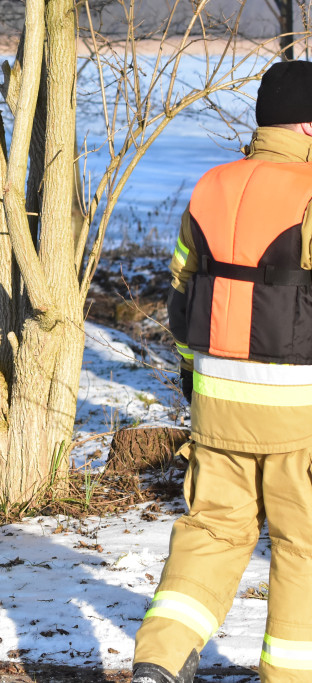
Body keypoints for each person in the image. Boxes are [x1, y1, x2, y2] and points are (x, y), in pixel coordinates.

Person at [132, 60, 312, 683]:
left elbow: (183, 288)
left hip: (215, 399)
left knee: (211, 529)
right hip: (299, 409)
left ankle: (159, 658)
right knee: (302, 546)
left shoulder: (211, 186)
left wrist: (190, 374)